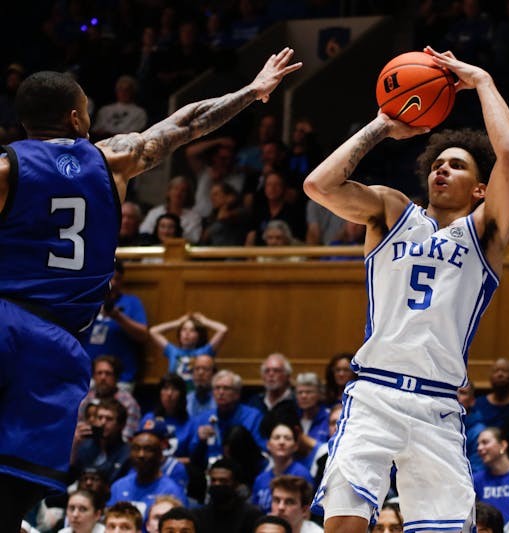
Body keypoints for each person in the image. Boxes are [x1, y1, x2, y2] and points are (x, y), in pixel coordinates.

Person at [0, 48, 300, 528]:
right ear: (77, 117)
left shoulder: (6, 168)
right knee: (15, 485)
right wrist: (252, 91)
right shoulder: (113, 158)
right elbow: (189, 122)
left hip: (4, 318)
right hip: (54, 342)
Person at [305, 46, 509, 533]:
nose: (441, 169)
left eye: (458, 166)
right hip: (375, 393)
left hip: (437, 404)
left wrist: (482, 81)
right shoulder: (390, 211)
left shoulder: (486, 235)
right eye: (437, 163)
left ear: (481, 189)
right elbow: (319, 186)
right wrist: (382, 125)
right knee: (344, 524)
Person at [82, 260, 148, 389]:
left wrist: (118, 317)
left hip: (121, 379)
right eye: (110, 279)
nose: (113, 283)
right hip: (87, 378)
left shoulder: (131, 303)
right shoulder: (86, 302)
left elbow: (143, 335)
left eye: (117, 279)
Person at [107, 426, 188, 518]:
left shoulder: (172, 491)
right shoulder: (118, 486)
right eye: (136, 448)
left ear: (159, 455)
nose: (141, 455)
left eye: (148, 449)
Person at [189, 370, 265, 469]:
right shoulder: (203, 418)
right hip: (209, 471)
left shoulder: (253, 416)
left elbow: (261, 453)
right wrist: (200, 441)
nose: (221, 392)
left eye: (226, 388)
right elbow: (192, 454)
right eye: (217, 388)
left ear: (237, 394)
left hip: (242, 471)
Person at [149, 312, 229, 384]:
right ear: (179, 334)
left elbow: (223, 330)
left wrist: (205, 321)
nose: (187, 333)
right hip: (176, 395)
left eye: (192, 330)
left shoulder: (205, 352)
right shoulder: (172, 351)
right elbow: (153, 331)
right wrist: (178, 322)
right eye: (184, 329)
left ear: (199, 335)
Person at [252, 422, 315, 513]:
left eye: (287, 438)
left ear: (295, 446)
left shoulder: (302, 475)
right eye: (277, 438)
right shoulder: (260, 479)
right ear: (268, 445)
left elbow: (307, 511)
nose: (281, 442)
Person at [78, 355, 142, 441]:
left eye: (108, 373)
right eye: (99, 373)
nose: (103, 377)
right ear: (94, 376)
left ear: (116, 377)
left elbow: (128, 436)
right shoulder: (85, 399)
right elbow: (79, 426)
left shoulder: (128, 402)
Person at [194, 459, 263, 533]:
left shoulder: (251, 515)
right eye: (213, 480)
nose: (217, 484)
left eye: (223, 481)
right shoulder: (199, 516)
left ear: (236, 484)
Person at [71, 399, 131, 483]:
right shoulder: (84, 446)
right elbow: (70, 476)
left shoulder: (127, 453)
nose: (103, 422)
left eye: (109, 419)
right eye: (100, 418)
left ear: (121, 425)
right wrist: (74, 445)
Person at [140, 373, 193, 460]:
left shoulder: (190, 423)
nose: (169, 393)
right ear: (159, 393)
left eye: (175, 389)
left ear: (182, 395)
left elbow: (192, 460)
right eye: (165, 388)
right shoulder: (149, 419)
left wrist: (168, 463)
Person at [139, 176, 203, 244]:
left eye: (183, 190)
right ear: (168, 192)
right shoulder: (154, 212)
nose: (178, 193)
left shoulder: (194, 217)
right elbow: (144, 232)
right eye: (175, 189)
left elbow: (194, 238)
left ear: (188, 195)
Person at [473, 358, 509, 429]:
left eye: (505, 371)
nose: (500, 374)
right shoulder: (479, 403)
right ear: (490, 377)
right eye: (496, 371)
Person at [90, 75, 148, 140]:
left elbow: (135, 134)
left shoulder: (140, 113)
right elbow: (96, 129)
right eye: (121, 89)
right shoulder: (105, 110)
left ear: (133, 91)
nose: (123, 93)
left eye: (127, 90)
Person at [248, 353, 298, 424]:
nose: (271, 374)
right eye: (267, 371)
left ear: (287, 376)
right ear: (262, 377)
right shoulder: (254, 402)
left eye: (276, 371)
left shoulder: (297, 401)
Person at [295, 373, 331, 444]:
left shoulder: (330, 417)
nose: (303, 396)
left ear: (320, 394)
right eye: (300, 392)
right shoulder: (292, 417)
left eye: (309, 392)